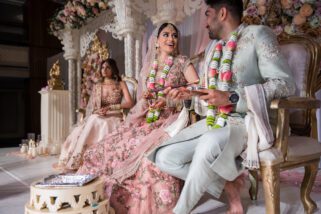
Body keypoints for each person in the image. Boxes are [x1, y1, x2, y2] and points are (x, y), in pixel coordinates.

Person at [154, 0, 296, 213]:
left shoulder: (258, 35)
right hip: (216, 121)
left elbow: (285, 83)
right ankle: (229, 185)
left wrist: (232, 98)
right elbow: (211, 89)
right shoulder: (212, 47)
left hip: (248, 122)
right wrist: (190, 93)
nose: (205, 22)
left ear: (221, 14)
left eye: (207, 14)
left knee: (208, 144)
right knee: (164, 157)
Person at [77, 23, 200, 213]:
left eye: (175, 36)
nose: (171, 39)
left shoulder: (182, 62)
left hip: (172, 118)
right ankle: (96, 196)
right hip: (148, 117)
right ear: (156, 41)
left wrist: (170, 99)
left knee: (146, 156)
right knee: (110, 146)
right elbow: (143, 98)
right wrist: (148, 102)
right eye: (166, 35)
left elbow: (196, 89)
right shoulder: (148, 67)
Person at [57, 58, 134, 171]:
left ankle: (103, 160)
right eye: (102, 67)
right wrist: (98, 111)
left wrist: (112, 107)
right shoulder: (98, 85)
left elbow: (130, 103)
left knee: (101, 122)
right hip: (101, 115)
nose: (104, 70)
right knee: (94, 118)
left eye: (107, 67)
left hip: (114, 115)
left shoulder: (120, 84)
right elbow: (94, 107)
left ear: (113, 69)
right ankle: (82, 160)